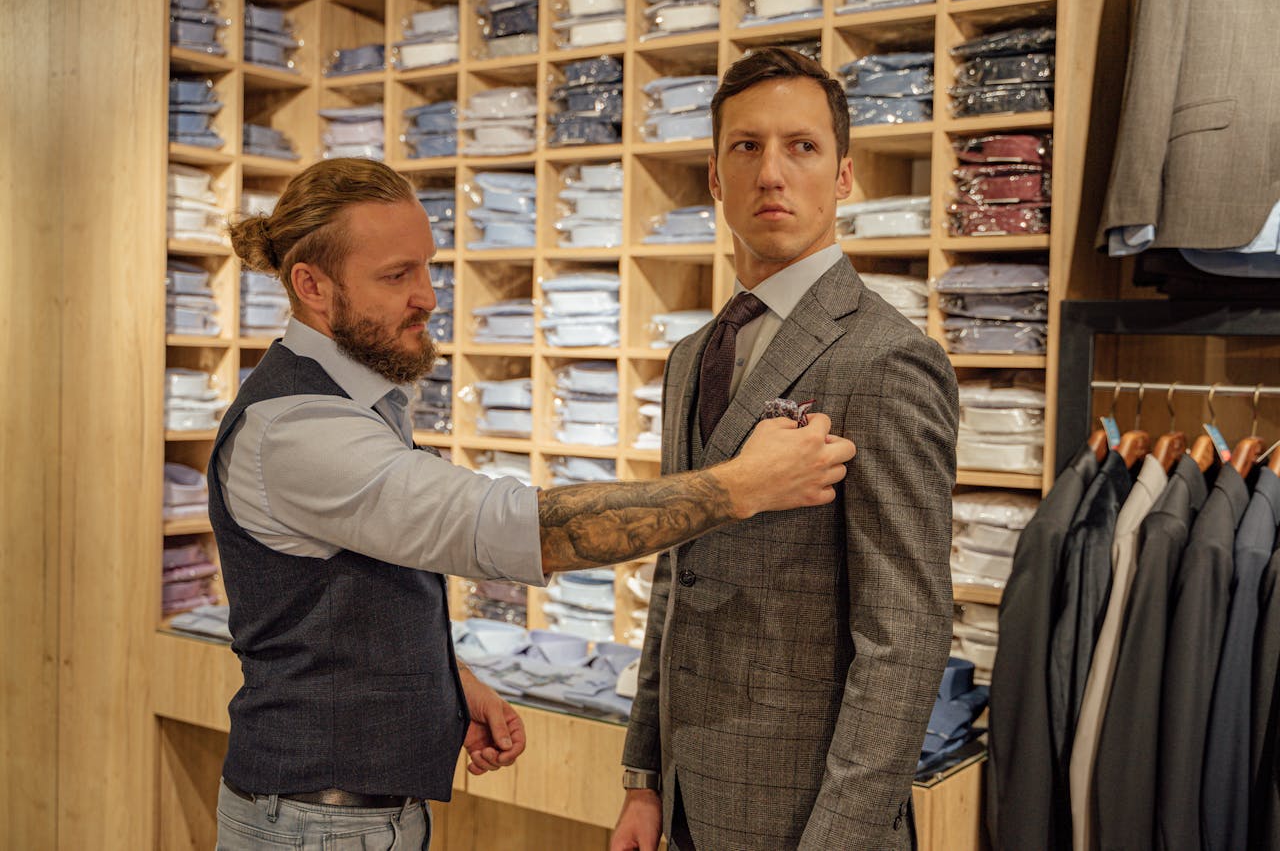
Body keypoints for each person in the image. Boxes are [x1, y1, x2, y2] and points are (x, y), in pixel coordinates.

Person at [209, 156, 856, 850]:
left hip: (344, 817)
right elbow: (515, 527)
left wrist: (442, 678)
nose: (428, 296)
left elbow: (353, 582)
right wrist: (740, 485)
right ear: (311, 285)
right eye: (397, 275)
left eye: (428, 268)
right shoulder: (298, 428)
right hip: (316, 824)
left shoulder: (352, 399)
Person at [610, 48, 958, 851]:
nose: (772, 173)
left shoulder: (886, 358)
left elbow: (903, 634)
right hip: (693, 802)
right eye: (747, 147)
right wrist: (645, 778)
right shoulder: (692, 355)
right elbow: (677, 570)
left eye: (802, 146)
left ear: (842, 176)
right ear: (713, 177)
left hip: (807, 817)